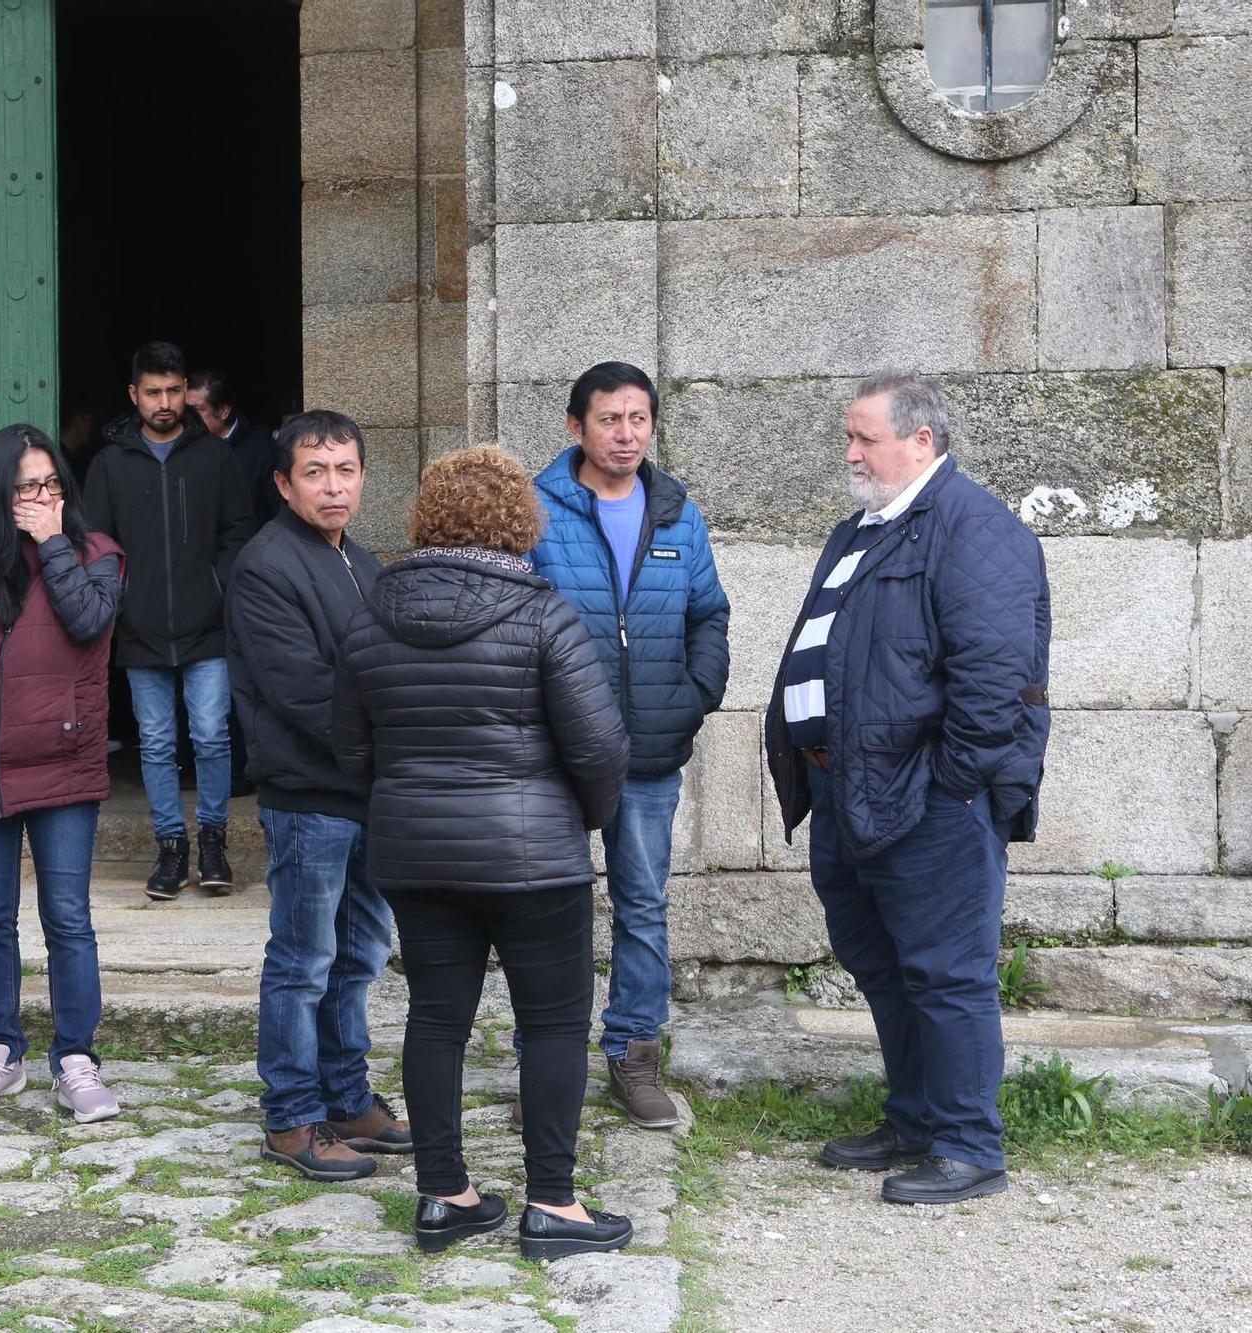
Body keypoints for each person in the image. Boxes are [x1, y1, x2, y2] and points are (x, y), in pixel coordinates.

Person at [335, 446, 632, 1259]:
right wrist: (586, 818)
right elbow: (600, 747)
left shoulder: (371, 612)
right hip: (533, 855)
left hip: (414, 852)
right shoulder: (542, 612)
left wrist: (403, 804)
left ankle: (444, 1196)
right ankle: (554, 1205)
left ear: (427, 514)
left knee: (436, 1017)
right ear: (517, 520)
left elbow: (350, 747)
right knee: (553, 1025)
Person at [767, 371, 1051, 1206]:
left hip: (927, 799)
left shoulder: (973, 528)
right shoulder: (863, 527)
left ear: (920, 440)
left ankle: (970, 1144)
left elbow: (996, 683)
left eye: (865, 438)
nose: (850, 452)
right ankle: (916, 1117)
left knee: (946, 971)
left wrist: (949, 784)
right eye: (850, 438)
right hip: (848, 793)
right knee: (881, 963)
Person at [524, 361, 729, 1131]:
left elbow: (710, 614)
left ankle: (634, 1056)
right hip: (552, 755)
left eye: (638, 418)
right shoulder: (539, 509)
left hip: (648, 751)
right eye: (610, 419)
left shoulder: (677, 511)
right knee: (550, 907)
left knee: (642, 905)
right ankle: (546, 1056)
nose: (626, 434)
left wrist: (693, 696)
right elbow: (512, 617)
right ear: (576, 427)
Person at [226, 410, 407, 1181]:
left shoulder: (362, 562)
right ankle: (293, 1117)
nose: (332, 486)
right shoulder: (266, 566)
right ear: (283, 483)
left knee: (359, 957)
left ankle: (346, 1094)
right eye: (314, 472)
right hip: (308, 798)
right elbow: (304, 691)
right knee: (302, 961)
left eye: (345, 470)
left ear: (364, 477)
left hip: (367, 795)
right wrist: (391, 729)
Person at [0, 425, 126, 1125]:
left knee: (67, 917)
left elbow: (87, 620)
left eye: (52, 484)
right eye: (27, 488)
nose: (44, 497)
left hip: (63, 765)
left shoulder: (96, 556)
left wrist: (53, 543)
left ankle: (76, 1057)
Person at [82, 341, 257, 900]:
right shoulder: (110, 464)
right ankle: (170, 848)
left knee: (210, 736)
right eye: (153, 392)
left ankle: (212, 841)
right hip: (140, 628)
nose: (164, 401)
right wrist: (121, 599)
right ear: (134, 395)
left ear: (186, 391)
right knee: (156, 743)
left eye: (174, 390)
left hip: (208, 627)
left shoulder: (215, 457)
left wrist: (216, 586)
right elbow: (95, 544)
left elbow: (239, 532)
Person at [189, 369, 281, 525]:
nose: (187, 417)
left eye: (197, 410)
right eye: (185, 409)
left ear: (223, 411)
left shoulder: (261, 450)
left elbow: (277, 511)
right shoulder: (182, 445)